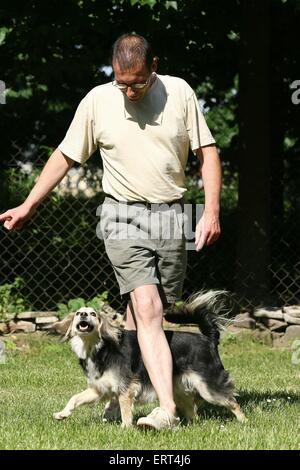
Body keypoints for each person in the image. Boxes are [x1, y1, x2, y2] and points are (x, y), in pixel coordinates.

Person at [0, 33, 221, 430]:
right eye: (122, 82)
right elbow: (65, 155)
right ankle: (166, 410)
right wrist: (28, 204)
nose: (129, 90)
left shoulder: (181, 93)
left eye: (137, 82)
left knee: (146, 313)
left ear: (154, 68)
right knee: (149, 307)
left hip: (172, 215)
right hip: (120, 216)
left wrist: (211, 211)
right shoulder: (98, 100)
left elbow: (208, 154)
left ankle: (124, 389)